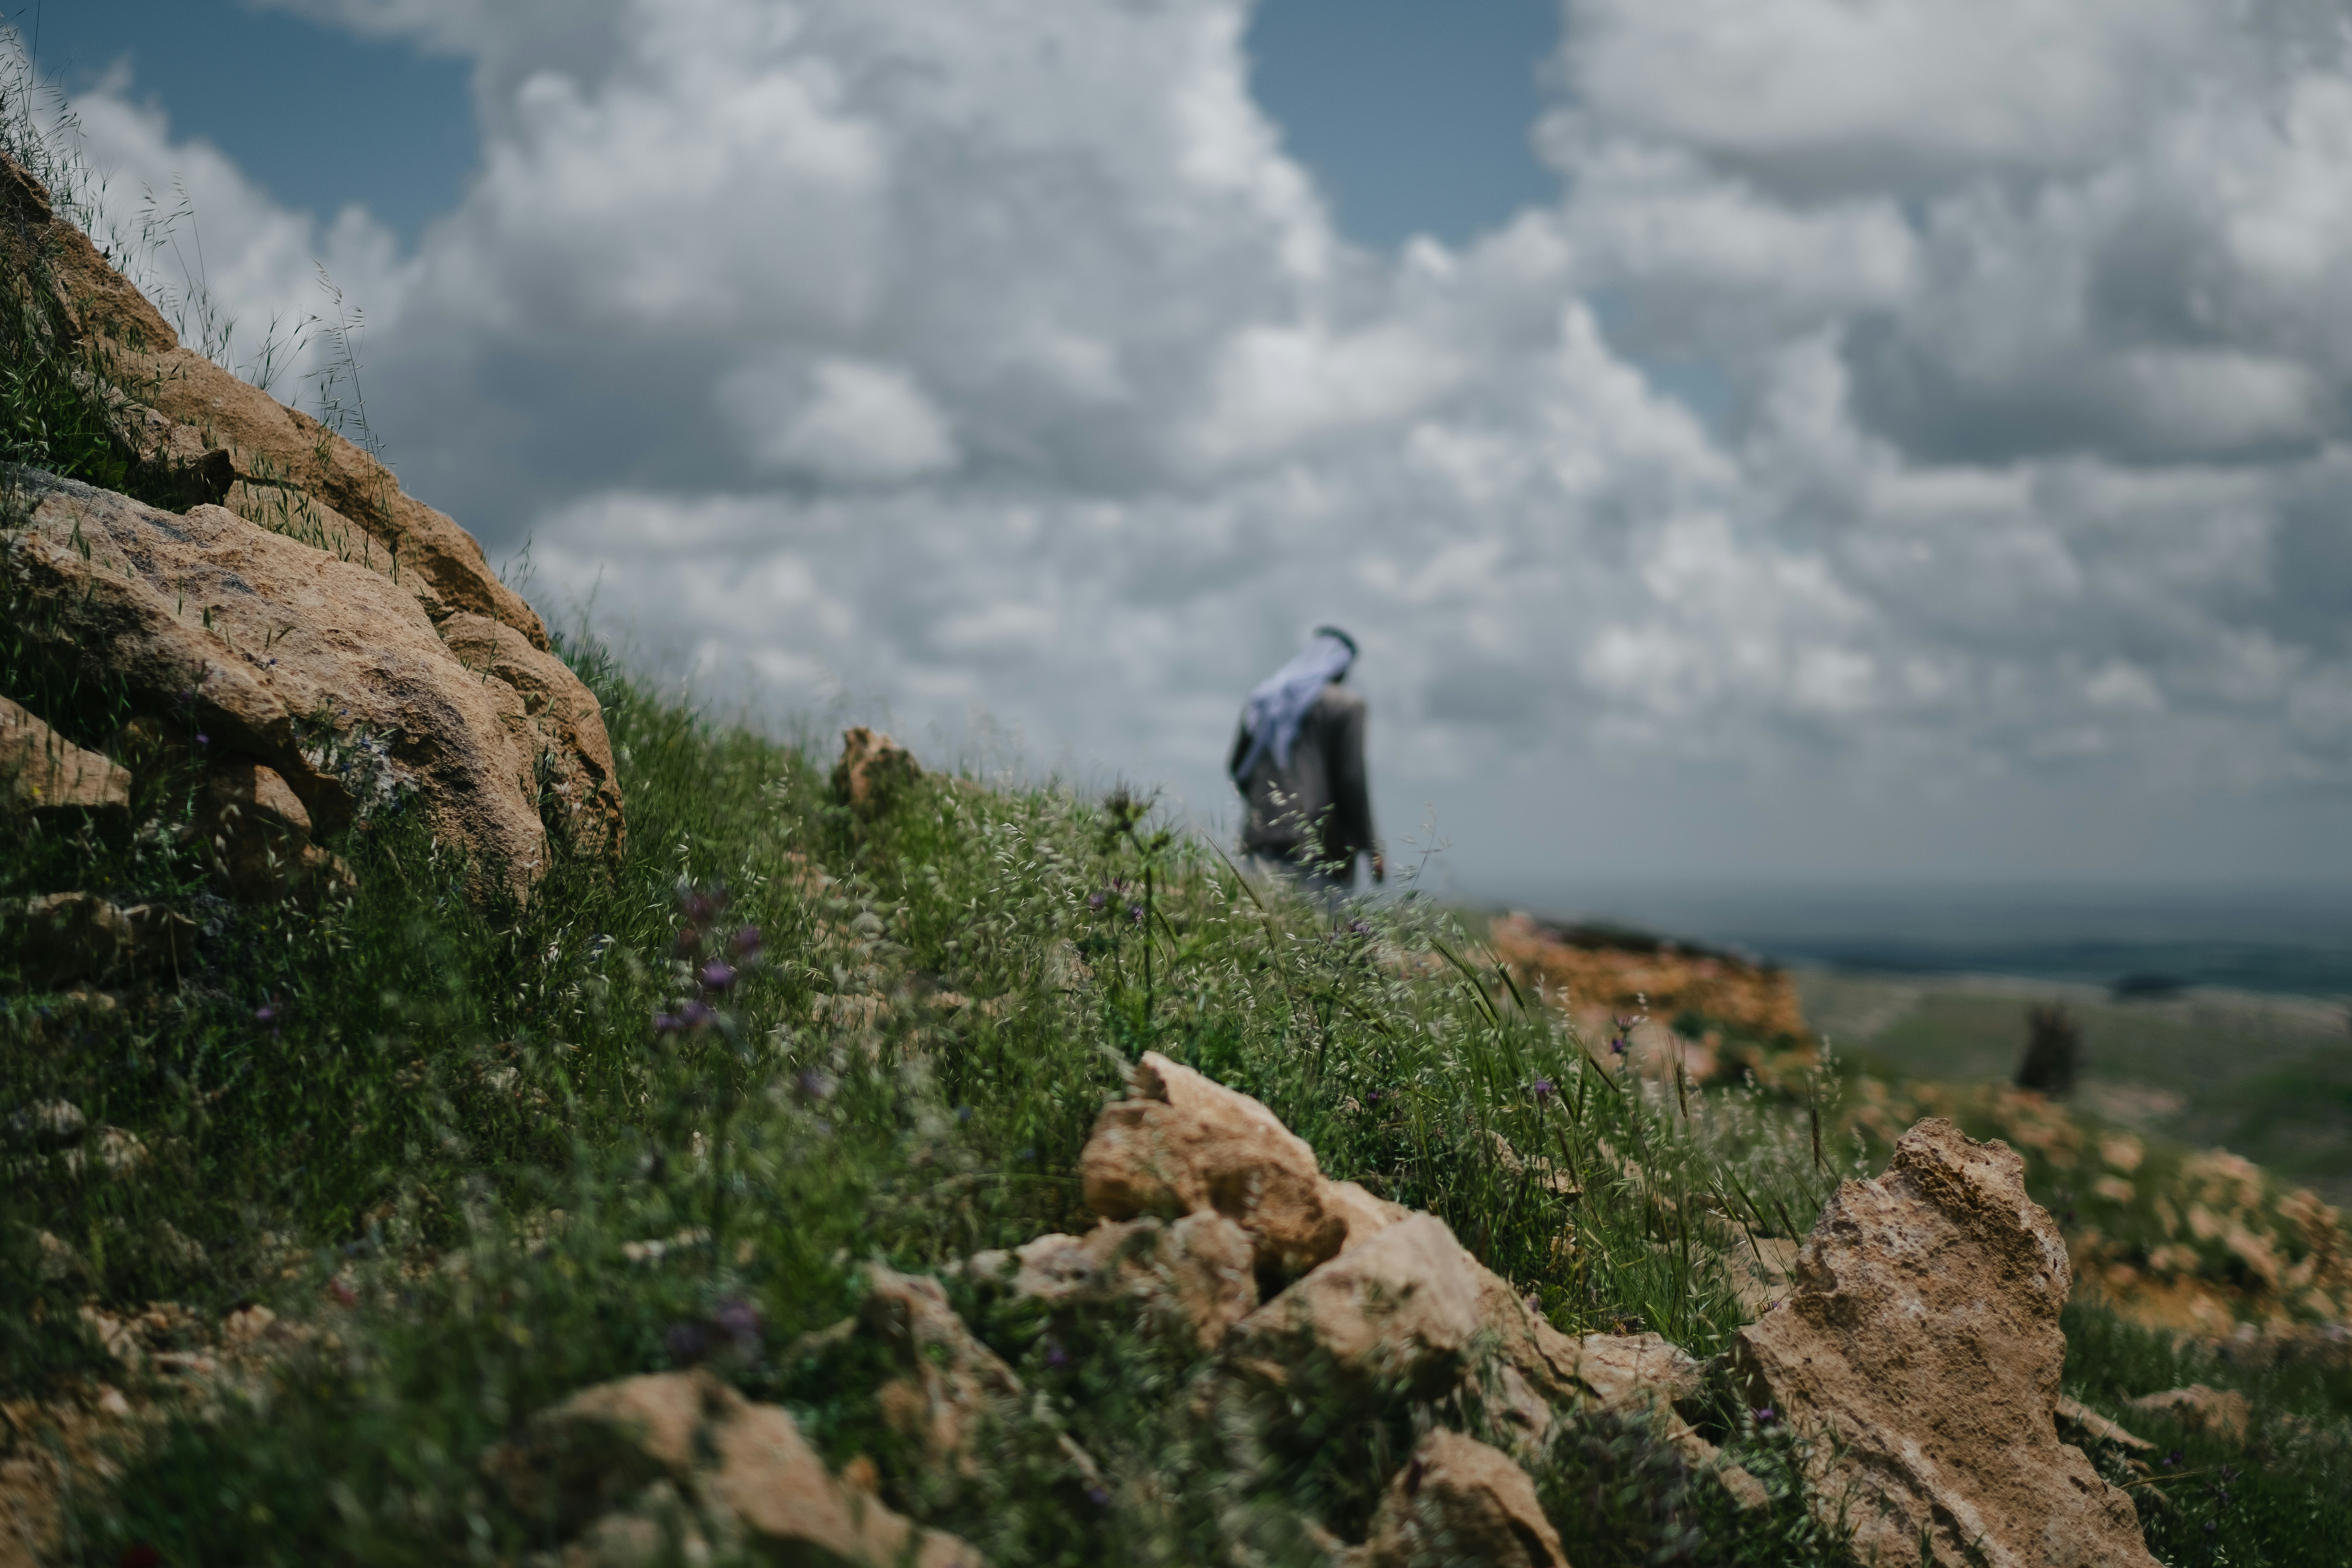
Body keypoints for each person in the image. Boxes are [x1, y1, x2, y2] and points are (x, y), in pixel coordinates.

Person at [1228, 626, 1382, 906]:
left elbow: (1238, 768)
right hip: (1319, 845)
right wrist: (1370, 846)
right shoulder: (1346, 705)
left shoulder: (1263, 700)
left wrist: (1264, 807)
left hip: (1260, 835)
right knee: (1317, 938)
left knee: (1261, 928)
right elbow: (1352, 781)